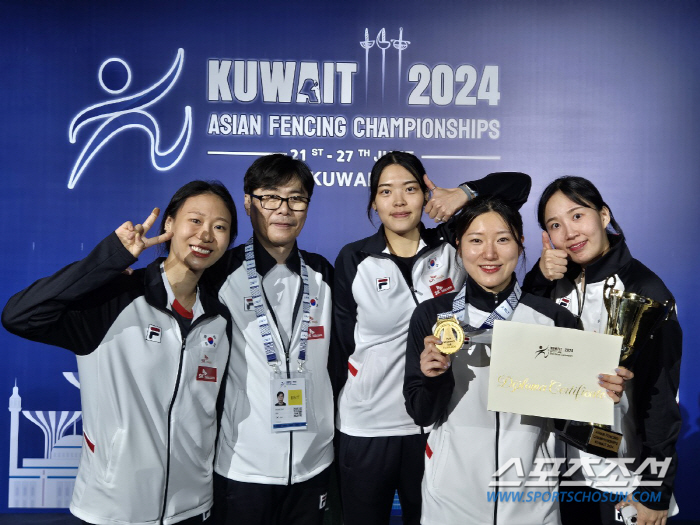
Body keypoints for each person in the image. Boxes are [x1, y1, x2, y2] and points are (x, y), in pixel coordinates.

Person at [2, 180, 237, 524]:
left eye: (220, 227)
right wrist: (111, 258)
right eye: (196, 221)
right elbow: (19, 316)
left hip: (193, 506)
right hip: (114, 508)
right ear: (169, 224)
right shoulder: (115, 298)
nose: (205, 235)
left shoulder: (219, 317)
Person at [330, 150, 532, 525]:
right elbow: (342, 344)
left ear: (426, 195)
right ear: (373, 201)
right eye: (386, 191)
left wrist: (465, 194)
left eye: (410, 188)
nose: (399, 201)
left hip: (436, 422)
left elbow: (519, 185)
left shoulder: (453, 245)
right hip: (368, 424)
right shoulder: (354, 259)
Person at [403, 196, 627, 525]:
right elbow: (420, 414)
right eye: (476, 240)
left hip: (531, 505)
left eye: (503, 239)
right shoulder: (432, 316)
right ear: (458, 245)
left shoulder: (554, 320)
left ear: (521, 244)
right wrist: (435, 378)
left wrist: (603, 402)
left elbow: (581, 435)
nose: (489, 253)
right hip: (450, 501)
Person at [522, 176, 682, 525]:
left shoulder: (646, 290)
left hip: (617, 475)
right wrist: (537, 276)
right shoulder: (552, 282)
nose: (569, 232)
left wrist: (655, 489)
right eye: (555, 225)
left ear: (604, 215)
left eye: (577, 216)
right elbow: (523, 346)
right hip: (552, 472)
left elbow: (661, 398)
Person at [208, 154, 334, 525]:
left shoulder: (324, 273)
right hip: (243, 467)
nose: (284, 209)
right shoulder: (218, 275)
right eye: (270, 197)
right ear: (248, 202)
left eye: (296, 198)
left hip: (314, 464)